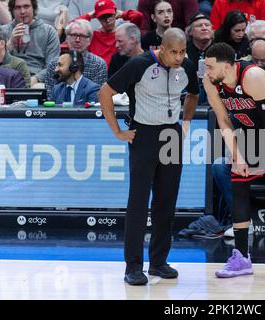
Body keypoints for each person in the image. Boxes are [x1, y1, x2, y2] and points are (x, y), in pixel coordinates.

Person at [98, 28, 199, 286]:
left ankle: (158, 262)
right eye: (174, 52)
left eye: (182, 51)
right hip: (143, 135)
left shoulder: (187, 66)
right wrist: (117, 131)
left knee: (167, 201)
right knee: (139, 202)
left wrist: (185, 122)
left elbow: (194, 94)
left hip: (171, 135)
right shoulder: (140, 64)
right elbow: (105, 93)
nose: (179, 57)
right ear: (161, 48)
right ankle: (133, 266)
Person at [203, 42, 265, 281]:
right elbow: (223, 122)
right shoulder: (211, 82)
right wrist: (238, 156)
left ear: (227, 65)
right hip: (250, 130)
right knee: (238, 181)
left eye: (210, 66)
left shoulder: (252, 75)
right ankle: (241, 258)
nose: (207, 72)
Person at [44, 19, 108, 100]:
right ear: (67, 38)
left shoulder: (98, 64)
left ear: (89, 40)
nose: (77, 40)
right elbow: (50, 97)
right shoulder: (54, 64)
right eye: (74, 35)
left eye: (82, 36)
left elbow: (98, 97)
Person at [2, 0, 60, 85]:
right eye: (18, 7)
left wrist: (36, 79)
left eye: (26, 6)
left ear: (33, 8)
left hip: (36, 80)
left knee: (39, 88)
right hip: (8, 79)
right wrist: (10, 44)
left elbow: (53, 65)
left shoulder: (49, 31)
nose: (22, 11)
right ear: (12, 11)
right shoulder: (3, 31)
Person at [75, 0, 143, 67]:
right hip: (98, 74)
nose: (107, 20)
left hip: (119, 72)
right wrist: (89, 15)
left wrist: (122, 14)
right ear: (97, 18)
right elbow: (72, 27)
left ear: (115, 14)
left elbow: (138, 16)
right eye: (103, 17)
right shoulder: (92, 36)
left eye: (109, 15)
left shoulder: (122, 34)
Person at [185, 11, 213, 105]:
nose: (204, 28)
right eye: (199, 26)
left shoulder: (220, 49)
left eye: (207, 25)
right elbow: (176, 77)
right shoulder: (182, 50)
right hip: (189, 90)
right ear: (190, 32)